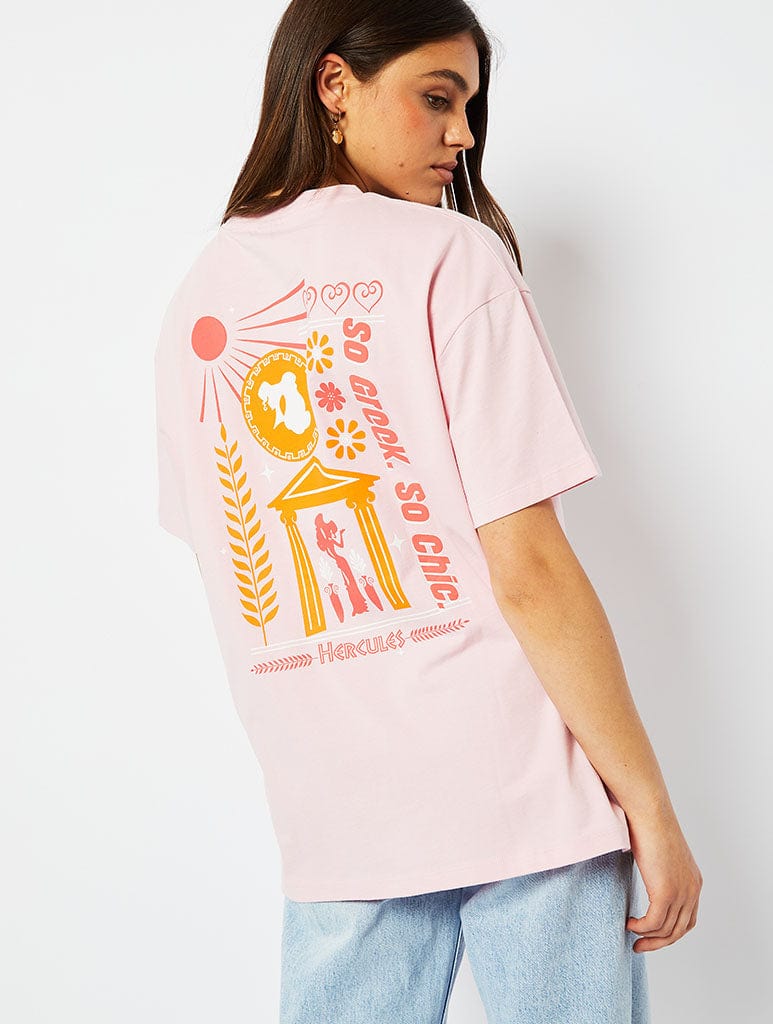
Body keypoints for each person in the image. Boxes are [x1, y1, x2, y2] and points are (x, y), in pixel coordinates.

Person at [153, 1, 702, 1020]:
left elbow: (227, 562)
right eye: (436, 98)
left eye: (470, 109)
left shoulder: (200, 304)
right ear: (334, 85)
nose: (460, 135)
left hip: (339, 815)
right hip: (523, 795)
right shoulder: (449, 257)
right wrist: (649, 805)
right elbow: (528, 568)